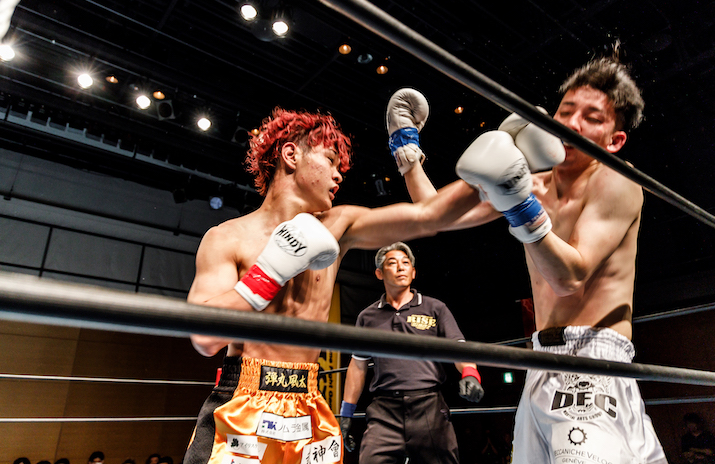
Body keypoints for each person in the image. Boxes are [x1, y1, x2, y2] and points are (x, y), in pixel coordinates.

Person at [389, 54, 667, 463]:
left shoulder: (615, 179)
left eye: (591, 117)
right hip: (539, 360)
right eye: (565, 112)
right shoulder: (530, 183)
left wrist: (519, 205)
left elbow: (569, 277)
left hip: (592, 359)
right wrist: (406, 149)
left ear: (615, 140)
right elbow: (433, 215)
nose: (571, 124)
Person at [183, 107, 481, 464]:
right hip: (242, 400)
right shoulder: (227, 237)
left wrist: (414, 155)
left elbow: (431, 216)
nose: (339, 175)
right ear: (291, 155)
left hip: (308, 402)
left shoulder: (338, 225)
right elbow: (204, 338)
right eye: (330, 160)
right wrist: (269, 273)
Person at [339, 242, 484, 464]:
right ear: (379, 273)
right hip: (384, 411)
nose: (400, 267)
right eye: (392, 263)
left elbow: (459, 348)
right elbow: (358, 366)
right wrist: (346, 413)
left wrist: (471, 374)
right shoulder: (367, 317)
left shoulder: (435, 308)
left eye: (406, 263)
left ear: (413, 272)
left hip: (429, 406)